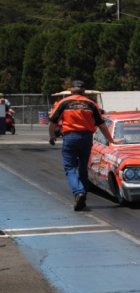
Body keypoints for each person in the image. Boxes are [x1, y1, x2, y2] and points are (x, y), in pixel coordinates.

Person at [48, 80, 115, 211]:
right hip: (86, 137)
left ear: (70, 90)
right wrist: (111, 140)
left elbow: (52, 122)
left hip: (70, 137)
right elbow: (101, 125)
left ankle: (79, 192)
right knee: (83, 167)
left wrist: (52, 137)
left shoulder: (63, 102)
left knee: (70, 167)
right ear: (84, 91)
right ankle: (82, 197)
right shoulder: (91, 104)